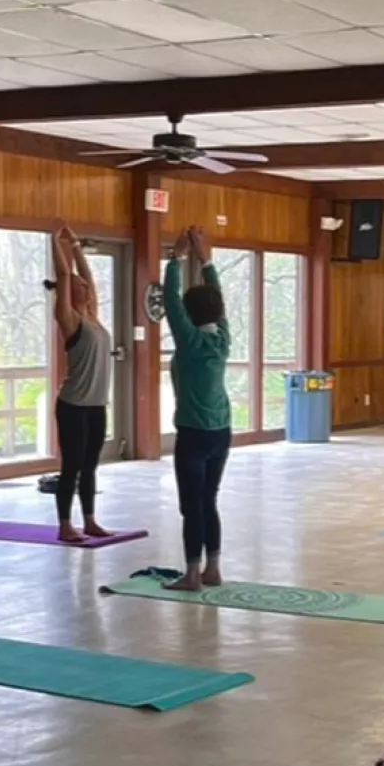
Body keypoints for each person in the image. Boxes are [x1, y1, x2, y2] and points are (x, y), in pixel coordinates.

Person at [163, 225, 231, 591]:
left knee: (191, 505)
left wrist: (175, 258)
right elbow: (216, 301)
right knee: (210, 500)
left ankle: (192, 574)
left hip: (193, 432)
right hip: (222, 431)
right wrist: (205, 261)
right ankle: (213, 568)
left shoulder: (189, 341)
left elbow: (171, 301)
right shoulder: (222, 338)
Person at [51, 224, 112, 543]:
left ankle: (89, 520)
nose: (86, 287)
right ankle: (64, 524)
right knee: (72, 466)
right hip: (73, 405)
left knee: (90, 466)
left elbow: (87, 277)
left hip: (96, 405)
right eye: (80, 285)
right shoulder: (70, 319)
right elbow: (64, 277)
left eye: (86, 285)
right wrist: (55, 244)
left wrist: (76, 245)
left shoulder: (94, 317)